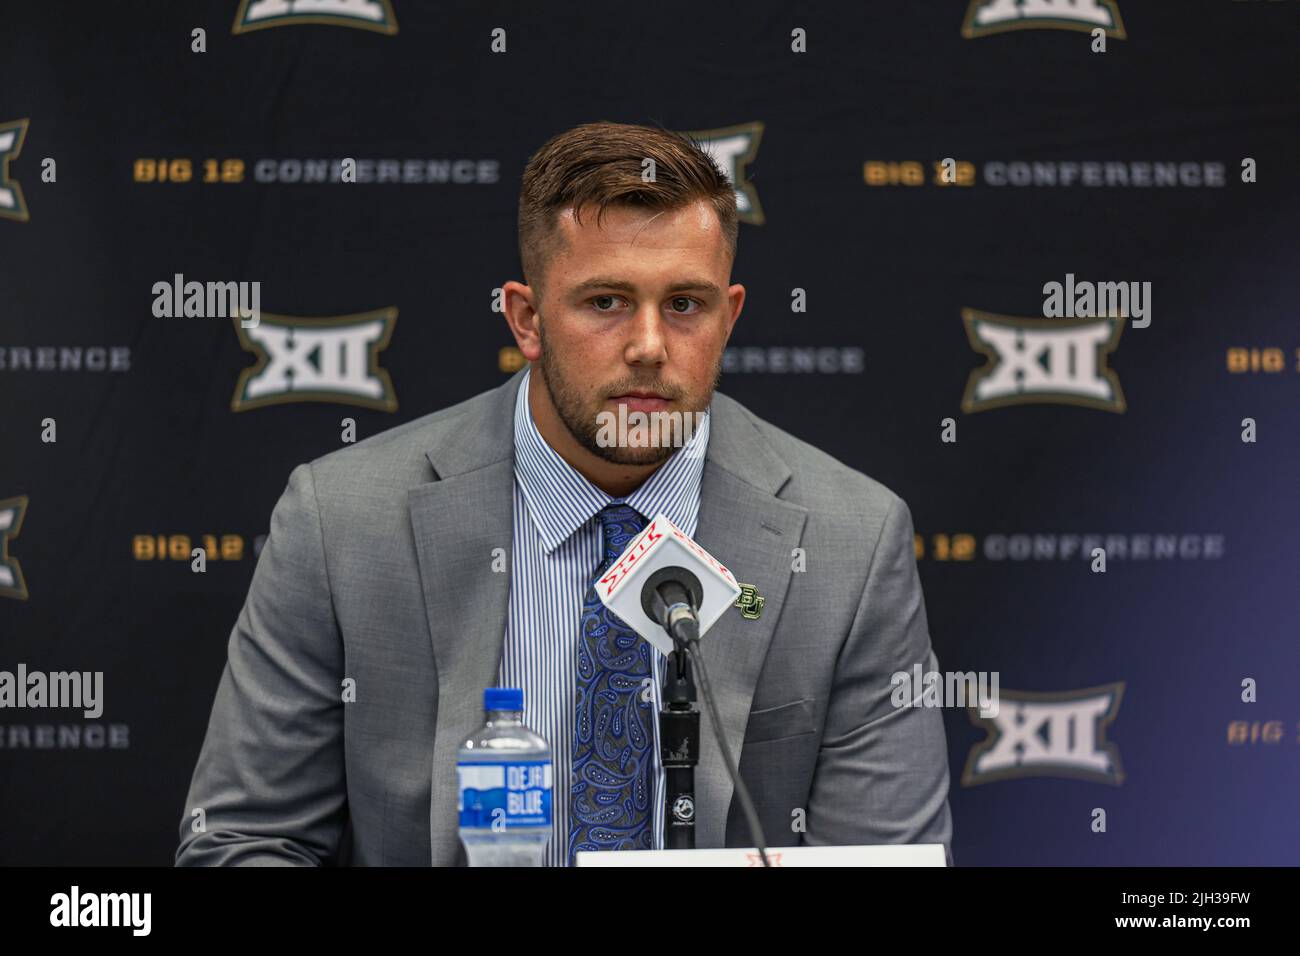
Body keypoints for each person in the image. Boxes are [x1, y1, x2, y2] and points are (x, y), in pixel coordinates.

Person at [176, 121, 953, 866]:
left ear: (729, 317)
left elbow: (883, 859)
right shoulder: (341, 522)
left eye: (685, 305)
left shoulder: (849, 542)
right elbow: (242, 843)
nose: (649, 347)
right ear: (527, 318)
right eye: (605, 302)